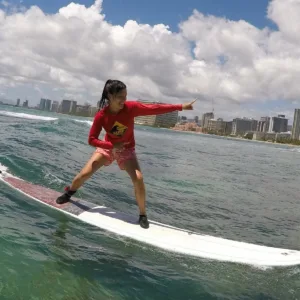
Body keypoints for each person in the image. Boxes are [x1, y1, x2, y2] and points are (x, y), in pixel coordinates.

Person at [56, 79, 196, 229]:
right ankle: (69, 193)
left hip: (127, 150)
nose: (124, 100)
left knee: (139, 178)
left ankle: (142, 215)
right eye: (120, 97)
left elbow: (155, 108)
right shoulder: (101, 116)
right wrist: (111, 145)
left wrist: (181, 106)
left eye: (125, 96)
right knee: (83, 175)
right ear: (110, 96)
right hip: (108, 147)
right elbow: (91, 140)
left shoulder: (131, 108)